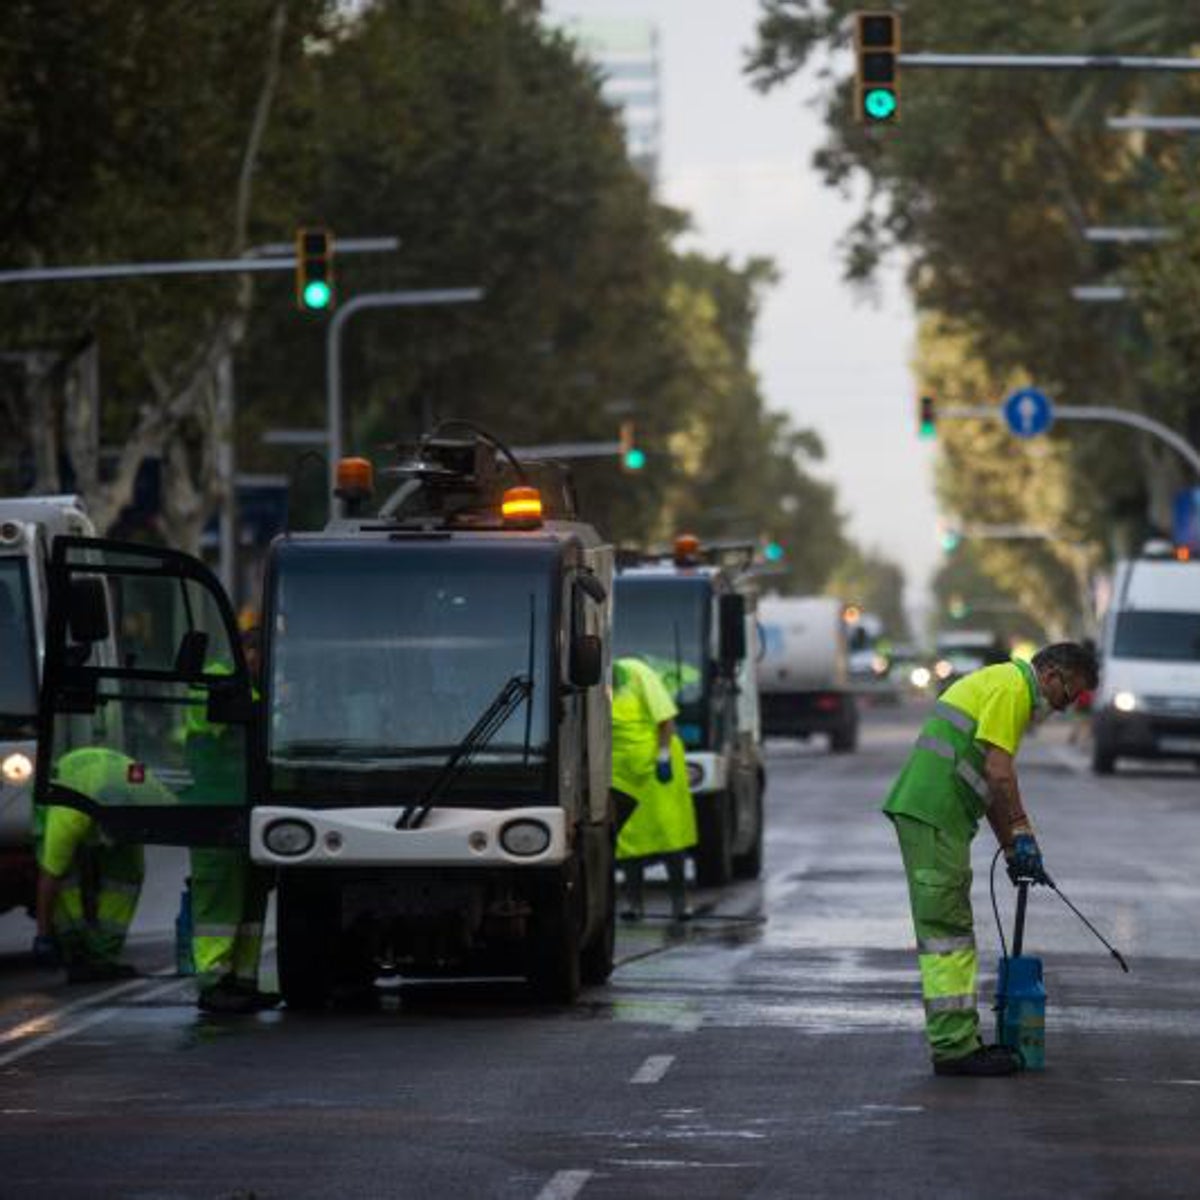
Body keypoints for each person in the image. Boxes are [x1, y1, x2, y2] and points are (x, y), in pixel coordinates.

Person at [883, 641, 1098, 1077]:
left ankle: (958, 1039)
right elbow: (1001, 773)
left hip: (935, 815)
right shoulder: (1014, 690)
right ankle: (954, 1047)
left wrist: (1018, 844)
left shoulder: (1001, 684)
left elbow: (990, 779)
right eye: (1068, 695)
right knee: (948, 933)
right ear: (1052, 674)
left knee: (951, 928)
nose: (1064, 707)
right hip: (934, 814)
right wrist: (1019, 827)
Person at [185, 624, 276, 1015]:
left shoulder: (257, 686)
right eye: (258, 652)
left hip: (248, 807)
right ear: (245, 650)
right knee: (219, 900)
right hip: (217, 809)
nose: (262, 661)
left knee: (251, 901)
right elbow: (225, 724)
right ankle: (213, 981)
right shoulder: (222, 679)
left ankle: (242, 980)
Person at [33, 748, 174, 983]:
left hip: (115, 788)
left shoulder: (151, 795)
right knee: (66, 880)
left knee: (125, 879)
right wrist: (43, 934)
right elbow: (49, 878)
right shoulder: (68, 815)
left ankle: (102, 957)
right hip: (62, 790)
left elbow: (186, 821)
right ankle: (75, 951)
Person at [611, 656, 698, 923]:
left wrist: (663, 756)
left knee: (669, 833)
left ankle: (680, 902)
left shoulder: (637, 673)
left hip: (657, 767)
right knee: (627, 840)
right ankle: (634, 903)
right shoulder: (590, 685)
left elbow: (666, 718)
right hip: (620, 771)